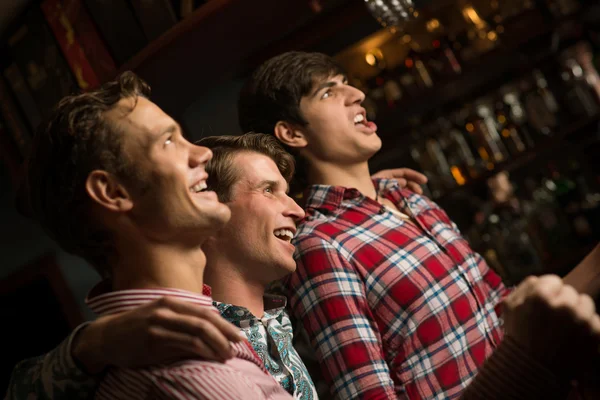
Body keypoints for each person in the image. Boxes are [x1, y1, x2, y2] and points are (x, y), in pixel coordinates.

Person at [5, 127, 600, 400]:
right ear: (212, 212)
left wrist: (365, 206)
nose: (296, 209)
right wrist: (530, 364)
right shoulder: (187, 360)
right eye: (269, 190)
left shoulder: (283, 323)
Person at [237, 50, 600, 399]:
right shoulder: (320, 247)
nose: (358, 95)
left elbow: (512, 317)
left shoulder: (410, 199)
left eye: (347, 82)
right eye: (329, 92)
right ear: (292, 133)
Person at [5, 73, 292, 400]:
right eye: (168, 141)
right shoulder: (188, 373)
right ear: (113, 192)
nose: (203, 155)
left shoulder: (168, 351)